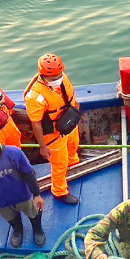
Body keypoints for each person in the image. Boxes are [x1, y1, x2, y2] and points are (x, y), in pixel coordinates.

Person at [23, 54, 81, 204]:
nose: (57, 79)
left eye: (59, 75)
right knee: (59, 163)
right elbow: (36, 123)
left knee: (73, 144)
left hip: (68, 120)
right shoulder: (35, 96)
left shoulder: (62, 78)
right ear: (43, 75)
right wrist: (43, 146)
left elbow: (69, 95)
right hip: (53, 133)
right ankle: (59, 191)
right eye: (53, 77)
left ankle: (73, 162)